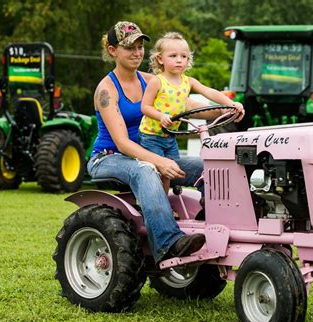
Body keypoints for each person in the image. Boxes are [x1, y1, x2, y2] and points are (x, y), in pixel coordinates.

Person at [87, 21, 244, 264]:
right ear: (112, 51)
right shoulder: (106, 90)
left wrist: (225, 110)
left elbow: (188, 106)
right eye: (129, 48)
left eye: (140, 47)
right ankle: (168, 243)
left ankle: (218, 225)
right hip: (110, 157)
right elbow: (122, 143)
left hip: (150, 151)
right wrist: (160, 162)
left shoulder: (152, 81)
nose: (137, 53)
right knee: (146, 170)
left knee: (208, 167)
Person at [140, 32, 244, 192]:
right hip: (151, 136)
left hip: (170, 137)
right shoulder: (157, 81)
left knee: (173, 172)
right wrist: (161, 116)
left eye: (184, 56)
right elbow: (145, 107)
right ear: (160, 59)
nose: (179, 60)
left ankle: (171, 202)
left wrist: (232, 104)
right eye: (173, 56)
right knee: (163, 173)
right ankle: (163, 205)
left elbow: (210, 92)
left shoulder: (188, 82)